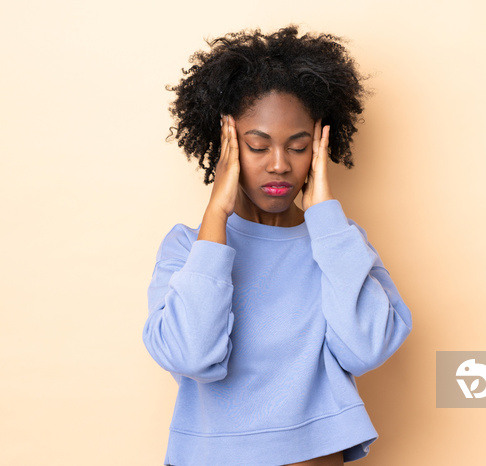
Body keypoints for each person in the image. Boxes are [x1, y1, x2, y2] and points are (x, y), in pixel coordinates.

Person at [143, 25, 413, 466]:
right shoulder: (188, 249)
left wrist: (327, 221)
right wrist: (216, 217)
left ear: (319, 149)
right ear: (224, 146)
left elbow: (366, 349)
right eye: (257, 145)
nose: (279, 165)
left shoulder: (338, 243)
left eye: (298, 146)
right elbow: (192, 355)